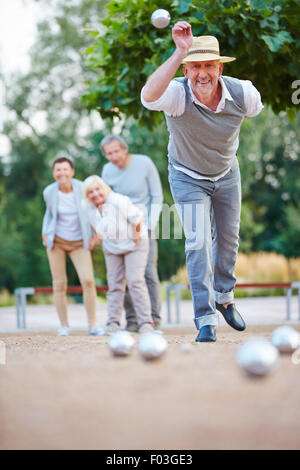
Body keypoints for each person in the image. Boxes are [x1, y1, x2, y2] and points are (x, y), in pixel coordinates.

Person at [141, 22, 263, 342]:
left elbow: (256, 109)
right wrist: (180, 50)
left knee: (228, 239)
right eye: (195, 66)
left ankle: (224, 297)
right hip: (186, 175)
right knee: (198, 243)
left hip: (226, 173)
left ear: (220, 67)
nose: (202, 73)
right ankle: (205, 317)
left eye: (209, 65)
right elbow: (147, 96)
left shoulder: (243, 94)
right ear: (186, 69)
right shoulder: (177, 95)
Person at [101, 135, 163, 331]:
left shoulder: (144, 163)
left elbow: (157, 195)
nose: (113, 157)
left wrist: (150, 225)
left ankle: (153, 318)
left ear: (125, 149)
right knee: (123, 276)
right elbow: (105, 200)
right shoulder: (107, 171)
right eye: (109, 153)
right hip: (119, 230)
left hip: (143, 225)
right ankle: (133, 320)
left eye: (116, 151)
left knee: (147, 273)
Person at [83, 175, 154, 335]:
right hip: (112, 246)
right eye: (90, 192)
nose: (95, 194)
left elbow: (138, 218)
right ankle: (113, 324)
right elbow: (93, 225)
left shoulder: (118, 200)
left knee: (135, 281)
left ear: (104, 188)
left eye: (97, 189)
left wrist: (135, 236)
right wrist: (98, 236)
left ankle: (146, 324)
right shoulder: (87, 207)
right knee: (114, 285)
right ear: (87, 195)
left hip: (135, 242)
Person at [42, 157, 102, 336]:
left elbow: (90, 212)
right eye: (58, 170)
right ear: (54, 173)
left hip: (78, 242)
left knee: (88, 281)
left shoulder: (81, 188)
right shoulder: (49, 192)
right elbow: (49, 214)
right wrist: (45, 232)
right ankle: (64, 326)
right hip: (57, 241)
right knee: (59, 284)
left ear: (72, 171)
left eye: (65, 169)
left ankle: (92, 326)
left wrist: (95, 234)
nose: (62, 173)